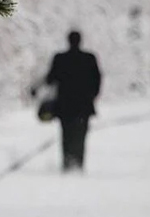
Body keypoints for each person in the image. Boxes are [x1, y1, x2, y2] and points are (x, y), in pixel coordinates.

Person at [35, 31, 102, 172]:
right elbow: (97, 79)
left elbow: (50, 78)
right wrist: (92, 95)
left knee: (66, 134)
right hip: (84, 105)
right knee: (81, 135)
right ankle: (78, 163)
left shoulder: (60, 58)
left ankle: (67, 163)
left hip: (65, 105)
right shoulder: (89, 58)